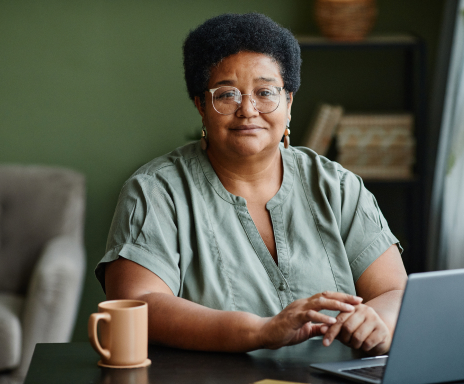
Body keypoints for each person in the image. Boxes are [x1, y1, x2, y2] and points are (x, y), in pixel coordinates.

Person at [96, 13, 407, 356]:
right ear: (201, 105)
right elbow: (137, 305)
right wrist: (261, 331)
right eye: (227, 94)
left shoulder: (338, 186)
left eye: (265, 92)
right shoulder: (155, 191)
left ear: (288, 102)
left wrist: (378, 322)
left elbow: (395, 291)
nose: (248, 110)